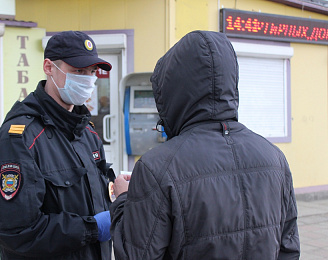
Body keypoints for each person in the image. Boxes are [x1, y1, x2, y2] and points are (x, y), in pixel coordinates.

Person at [110, 30, 300, 259]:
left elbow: (136, 255)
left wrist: (122, 201)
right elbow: (288, 249)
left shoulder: (157, 167)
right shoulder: (274, 158)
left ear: (172, 91)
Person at [0, 31, 115, 260]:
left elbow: (90, 195)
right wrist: (92, 228)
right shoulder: (20, 138)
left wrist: (118, 192)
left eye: (92, 72)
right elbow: (15, 230)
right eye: (78, 71)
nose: (87, 79)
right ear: (49, 67)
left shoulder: (88, 132)